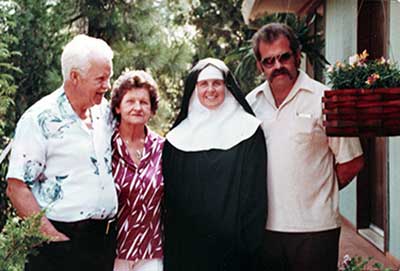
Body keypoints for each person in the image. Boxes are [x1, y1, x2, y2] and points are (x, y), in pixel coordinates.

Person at [246, 23, 365, 271]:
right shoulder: (251, 104)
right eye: (269, 61)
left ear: (297, 56)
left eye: (284, 57)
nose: (278, 66)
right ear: (260, 66)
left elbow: (352, 161)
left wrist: (319, 190)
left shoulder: (325, 98)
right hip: (265, 229)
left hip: (315, 230)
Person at [6, 34, 117, 271]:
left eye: (109, 78)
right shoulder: (39, 119)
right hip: (59, 244)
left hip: (103, 243)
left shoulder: (105, 112)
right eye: (101, 78)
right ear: (75, 77)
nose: (107, 86)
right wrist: (53, 240)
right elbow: (16, 187)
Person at [162, 57, 267, 271]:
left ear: (226, 86)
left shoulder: (249, 131)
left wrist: (248, 244)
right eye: (203, 84)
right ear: (194, 89)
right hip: (190, 251)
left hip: (237, 250)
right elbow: (171, 203)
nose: (210, 89)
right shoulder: (176, 139)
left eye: (217, 83)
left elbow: (255, 195)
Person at [110, 70, 164, 271]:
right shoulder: (105, 148)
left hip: (151, 252)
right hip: (112, 254)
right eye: (130, 101)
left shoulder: (162, 148)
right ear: (117, 107)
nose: (137, 107)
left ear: (152, 109)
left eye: (143, 102)